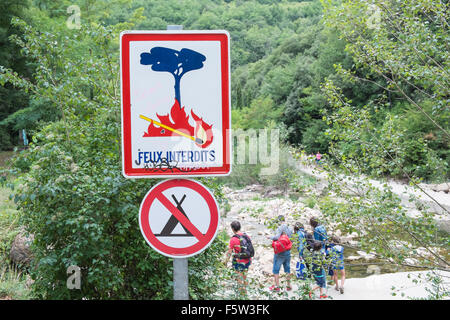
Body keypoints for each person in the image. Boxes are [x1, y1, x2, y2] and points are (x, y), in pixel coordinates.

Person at [225, 220, 252, 296]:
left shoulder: (233, 239)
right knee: (245, 276)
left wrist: (226, 262)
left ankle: (240, 295)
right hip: (247, 260)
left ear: (233, 229)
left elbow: (229, 252)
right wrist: (250, 259)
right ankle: (245, 293)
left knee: (239, 278)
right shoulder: (246, 236)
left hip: (238, 261)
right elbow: (250, 248)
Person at [267, 215, 293, 291]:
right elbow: (291, 239)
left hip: (280, 252)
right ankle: (288, 286)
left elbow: (276, 237)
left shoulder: (280, 228)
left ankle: (277, 286)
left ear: (279, 221)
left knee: (276, 269)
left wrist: (270, 237)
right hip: (288, 251)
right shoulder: (290, 228)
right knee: (287, 268)